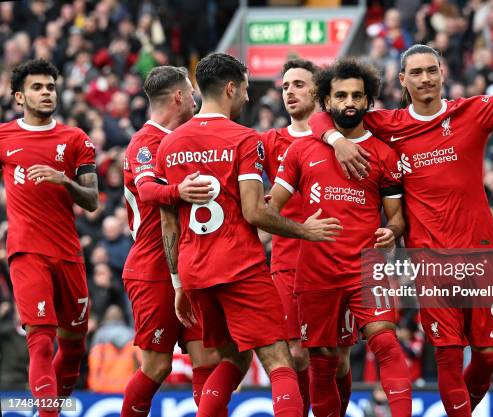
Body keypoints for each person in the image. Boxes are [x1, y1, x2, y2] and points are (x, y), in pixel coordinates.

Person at [308, 16, 493, 417]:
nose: (425, 78)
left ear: (443, 74)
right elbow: (324, 114)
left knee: (489, 354)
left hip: (478, 253)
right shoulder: (386, 124)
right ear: (402, 79)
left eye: (432, 70)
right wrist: (336, 140)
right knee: (448, 355)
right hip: (428, 258)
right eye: (416, 73)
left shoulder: (474, 112)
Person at [155, 53, 342, 417]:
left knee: (233, 360)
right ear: (230, 88)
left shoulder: (169, 145)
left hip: (194, 270)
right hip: (238, 265)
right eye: (244, 89)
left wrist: (178, 282)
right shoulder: (245, 139)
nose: (247, 97)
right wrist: (306, 230)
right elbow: (255, 212)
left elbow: (169, 224)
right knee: (279, 360)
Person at [270, 58, 412, 417]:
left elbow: (396, 218)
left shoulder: (384, 154)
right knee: (321, 360)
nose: (350, 102)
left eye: (357, 96)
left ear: (368, 101)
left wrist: (391, 231)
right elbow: (270, 207)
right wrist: (302, 230)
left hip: (366, 264)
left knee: (385, 341)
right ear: (327, 101)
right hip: (316, 269)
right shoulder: (301, 151)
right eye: (341, 95)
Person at [121, 65, 221, 417]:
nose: (196, 100)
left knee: (208, 357)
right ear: (179, 96)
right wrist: (181, 191)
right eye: (192, 93)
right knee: (157, 366)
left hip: (192, 263)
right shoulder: (145, 143)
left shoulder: (188, 140)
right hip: (153, 267)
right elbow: (148, 191)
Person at [1, 59, 99, 416]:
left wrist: (65, 181)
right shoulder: (4, 137)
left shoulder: (76, 139)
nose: (46, 93)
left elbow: (91, 201)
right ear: (18, 97)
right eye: (37, 87)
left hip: (68, 253)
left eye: (50, 87)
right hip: (27, 252)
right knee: (40, 341)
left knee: (73, 347)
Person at [261, 59, 355, 417]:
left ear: (318, 90)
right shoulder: (270, 142)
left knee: (337, 357)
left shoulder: (343, 138)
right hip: (288, 262)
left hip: (337, 259)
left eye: (298, 84)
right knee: (298, 353)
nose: (289, 92)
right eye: (285, 86)